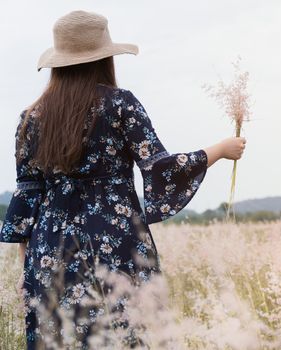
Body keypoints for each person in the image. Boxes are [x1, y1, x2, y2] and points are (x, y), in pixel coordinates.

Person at [0, 10, 246, 349]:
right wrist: (220, 149)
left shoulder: (31, 118)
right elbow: (161, 169)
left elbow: (27, 200)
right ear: (104, 58)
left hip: (49, 253)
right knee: (128, 339)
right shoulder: (121, 105)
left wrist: (27, 271)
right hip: (118, 248)